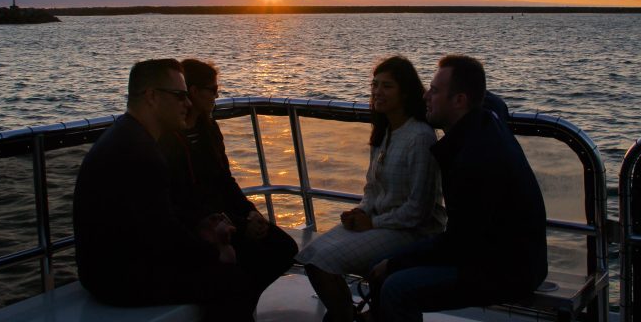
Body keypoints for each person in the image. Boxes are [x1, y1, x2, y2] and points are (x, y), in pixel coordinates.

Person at [73, 59, 257, 321]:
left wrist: (203, 229)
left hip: (108, 267)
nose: (188, 103)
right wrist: (215, 252)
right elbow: (163, 238)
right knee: (234, 281)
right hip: (119, 279)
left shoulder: (127, 136)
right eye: (180, 96)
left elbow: (152, 222)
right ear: (151, 97)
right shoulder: (141, 153)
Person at [370, 54, 548, 321]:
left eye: (434, 91)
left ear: (460, 100)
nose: (425, 97)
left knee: (395, 287)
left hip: (505, 269)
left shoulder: (473, 160)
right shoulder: (487, 118)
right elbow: (494, 101)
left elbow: (459, 244)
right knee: (393, 269)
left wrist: (393, 263)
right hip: (507, 254)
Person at [295, 55, 447, 322]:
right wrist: (360, 212)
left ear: (406, 92)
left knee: (324, 262)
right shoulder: (385, 132)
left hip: (411, 232)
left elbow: (418, 211)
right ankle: (348, 315)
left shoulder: (420, 137)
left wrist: (372, 223)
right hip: (380, 223)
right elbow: (372, 188)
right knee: (311, 256)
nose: (377, 92)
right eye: (375, 85)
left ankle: (346, 318)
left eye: (387, 86)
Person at [158, 58, 298, 306]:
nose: (216, 95)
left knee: (285, 248)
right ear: (194, 92)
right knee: (252, 257)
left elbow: (225, 179)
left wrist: (252, 213)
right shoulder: (166, 140)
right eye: (213, 90)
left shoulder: (208, 130)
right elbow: (180, 199)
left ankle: (244, 302)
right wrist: (240, 225)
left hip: (230, 217)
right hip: (201, 226)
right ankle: (238, 304)